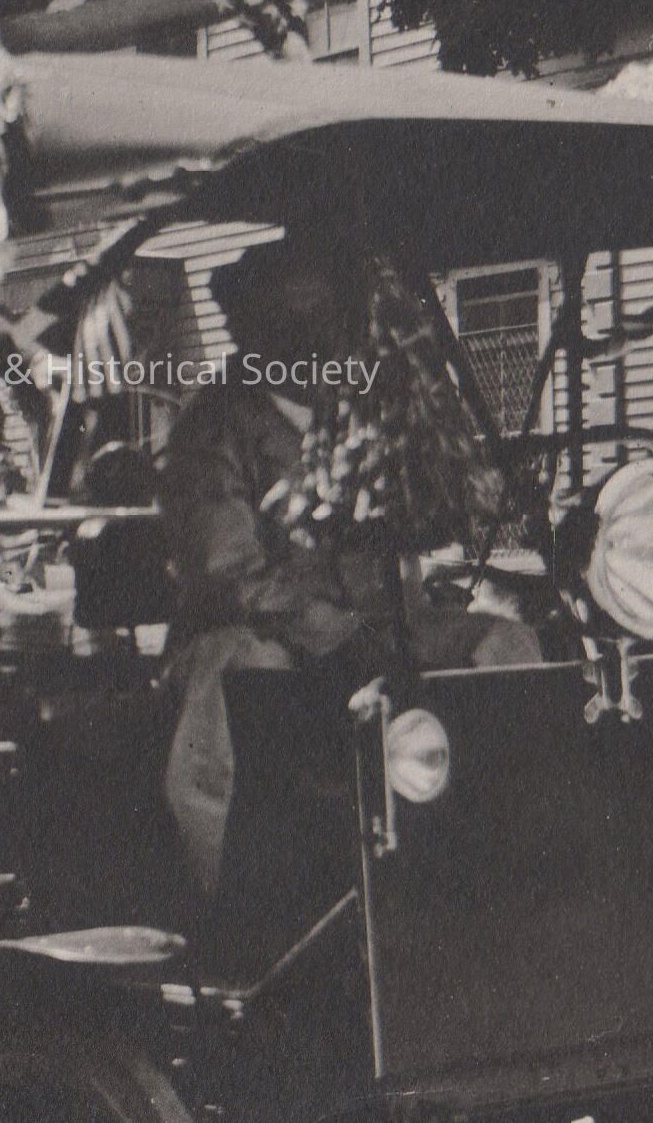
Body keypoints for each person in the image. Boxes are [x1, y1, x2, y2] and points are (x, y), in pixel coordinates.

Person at [156, 238, 536, 893]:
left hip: (375, 620)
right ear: (258, 338)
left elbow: (420, 527)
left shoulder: (363, 414)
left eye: (326, 331)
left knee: (502, 641)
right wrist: (337, 631)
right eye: (297, 333)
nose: (320, 351)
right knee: (242, 681)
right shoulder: (212, 428)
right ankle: (224, 897)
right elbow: (232, 575)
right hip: (258, 632)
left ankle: (515, 842)